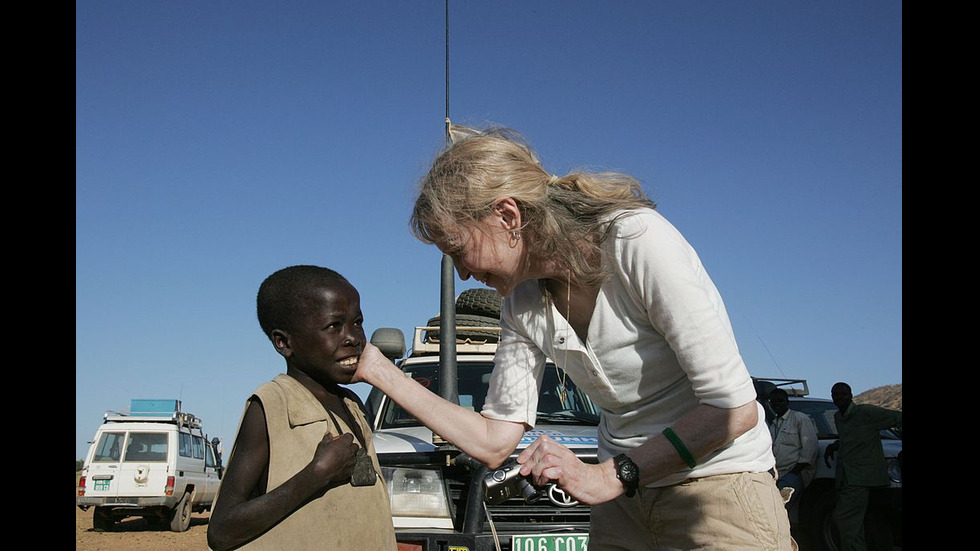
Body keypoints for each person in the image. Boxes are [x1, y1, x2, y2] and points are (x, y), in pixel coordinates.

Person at [356, 125, 794, 550]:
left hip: (717, 490)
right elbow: (493, 442)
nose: (463, 272)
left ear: (507, 216)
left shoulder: (636, 241)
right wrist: (378, 370)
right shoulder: (521, 303)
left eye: (456, 249)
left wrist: (608, 476)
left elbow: (733, 409)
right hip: (624, 507)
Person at [207, 265, 396, 551]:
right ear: (284, 342)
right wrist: (317, 474)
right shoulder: (271, 406)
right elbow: (221, 531)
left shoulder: (352, 404)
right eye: (334, 326)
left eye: (357, 322)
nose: (353, 338)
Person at [824, 382, 902, 551]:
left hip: (862, 477)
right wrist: (836, 445)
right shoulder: (839, 417)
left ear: (851, 395)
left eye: (844, 394)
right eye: (836, 394)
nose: (840, 398)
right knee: (854, 522)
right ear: (832, 397)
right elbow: (852, 438)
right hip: (845, 476)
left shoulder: (865, 412)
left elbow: (898, 419)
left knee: (843, 517)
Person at [768, 388, 819, 521]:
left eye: (780, 400)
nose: (777, 404)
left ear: (787, 402)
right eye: (773, 401)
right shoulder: (773, 425)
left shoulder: (799, 418)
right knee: (782, 512)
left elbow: (810, 447)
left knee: (779, 508)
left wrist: (795, 472)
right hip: (777, 474)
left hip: (794, 473)